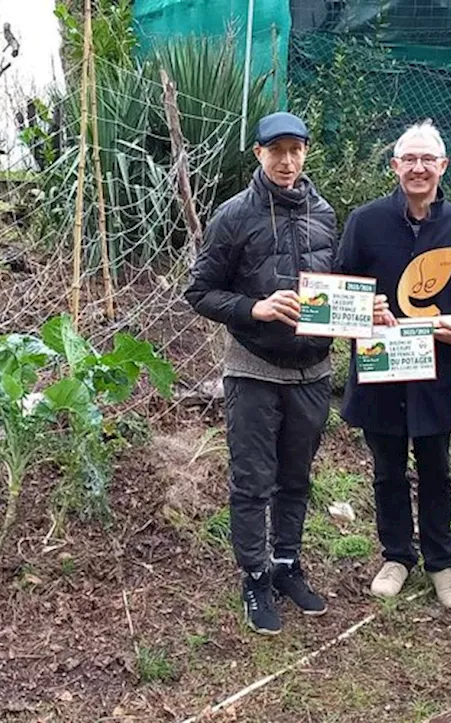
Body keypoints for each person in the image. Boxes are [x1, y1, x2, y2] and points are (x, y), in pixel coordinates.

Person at [184, 111, 338, 636]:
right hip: (254, 369)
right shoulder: (234, 215)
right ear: (258, 154)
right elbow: (199, 292)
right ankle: (254, 575)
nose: (287, 161)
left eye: (296, 150)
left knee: (296, 479)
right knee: (253, 482)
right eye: (277, 151)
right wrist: (256, 309)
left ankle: (286, 564)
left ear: (306, 152)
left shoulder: (325, 214)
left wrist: (363, 315)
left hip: (313, 372)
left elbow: (337, 293)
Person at [336, 120, 451, 613]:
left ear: (443, 167)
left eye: (428, 160)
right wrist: (367, 310)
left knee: (436, 468)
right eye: (410, 159)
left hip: (433, 375)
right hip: (380, 369)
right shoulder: (365, 221)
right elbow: (336, 292)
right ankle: (397, 557)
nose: (419, 168)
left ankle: (442, 563)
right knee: (387, 470)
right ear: (395, 166)